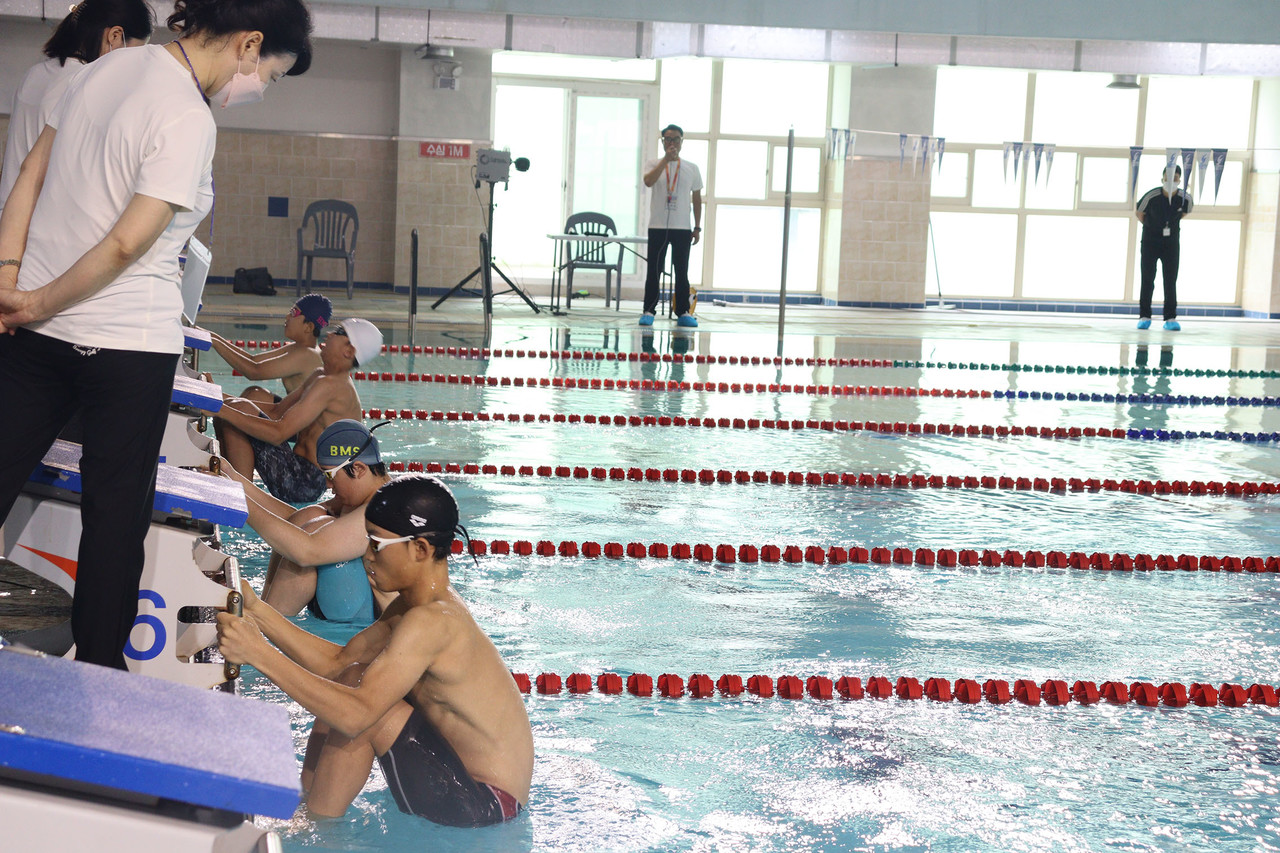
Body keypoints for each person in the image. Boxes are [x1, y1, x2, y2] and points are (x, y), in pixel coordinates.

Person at [0, 0, 313, 670]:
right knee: (113, 528)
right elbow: (125, 245)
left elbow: (29, 174)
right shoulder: (187, 115)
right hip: (126, 346)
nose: (258, 89)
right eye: (272, 76)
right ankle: (99, 681)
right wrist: (31, 299)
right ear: (249, 45)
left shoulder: (99, 70)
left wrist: (12, 281)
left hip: (39, 336)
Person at [216, 474, 534, 826]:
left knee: (368, 711)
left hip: (485, 803)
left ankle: (315, 834)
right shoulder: (414, 606)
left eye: (376, 545)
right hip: (463, 781)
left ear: (421, 550)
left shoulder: (432, 621)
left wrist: (258, 654)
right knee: (351, 676)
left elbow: (357, 716)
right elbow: (337, 661)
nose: (366, 557)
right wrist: (258, 612)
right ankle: (305, 803)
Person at [219, 419, 394, 620]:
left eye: (330, 475)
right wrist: (232, 478)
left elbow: (307, 551)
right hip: (350, 600)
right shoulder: (361, 498)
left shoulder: (386, 508)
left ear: (359, 469)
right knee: (309, 516)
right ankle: (264, 614)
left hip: (371, 618)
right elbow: (291, 521)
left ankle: (263, 625)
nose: (328, 485)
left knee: (307, 542)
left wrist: (238, 501)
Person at [0, 0, 155, 213]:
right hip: (39, 227)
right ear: (115, 36)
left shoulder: (35, 74)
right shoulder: (86, 84)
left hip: (8, 217)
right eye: (135, 55)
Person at [213, 317, 380, 504]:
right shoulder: (320, 375)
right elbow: (277, 411)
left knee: (235, 412)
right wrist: (217, 398)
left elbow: (278, 433)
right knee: (234, 411)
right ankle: (227, 485)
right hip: (295, 468)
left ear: (349, 351)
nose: (330, 334)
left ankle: (238, 499)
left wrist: (219, 408)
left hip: (304, 483)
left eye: (339, 332)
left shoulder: (334, 386)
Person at [202, 292, 330, 400]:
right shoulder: (299, 347)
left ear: (309, 326)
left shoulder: (307, 354)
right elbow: (253, 361)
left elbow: (254, 372)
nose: (287, 316)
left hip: (301, 426)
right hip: (293, 413)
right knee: (255, 394)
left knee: (252, 398)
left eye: (293, 312)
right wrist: (213, 337)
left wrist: (216, 342)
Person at [640, 123, 703, 329]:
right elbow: (648, 182)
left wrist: (697, 227)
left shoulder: (692, 168)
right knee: (654, 270)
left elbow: (696, 199)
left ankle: (683, 311)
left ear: (682, 142)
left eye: (676, 139)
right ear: (663, 142)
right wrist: (665, 161)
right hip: (658, 226)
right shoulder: (653, 164)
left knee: (681, 271)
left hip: (682, 227)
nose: (672, 143)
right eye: (668, 139)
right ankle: (649, 310)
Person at [1135, 166, 1192, 332]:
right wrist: (1153, 227)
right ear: (1162, 179)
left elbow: (1185, 212)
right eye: (1167, 178)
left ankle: (1170, 318)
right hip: (1150, 241)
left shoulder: (1184, 198)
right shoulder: (1151, 196)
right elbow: (1139, 213)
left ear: (1180, 180)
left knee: (1170, 280)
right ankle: (1144, 316)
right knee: (1147, 279)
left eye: (1175, 178)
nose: (1171, 181)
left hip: (1171, 243)